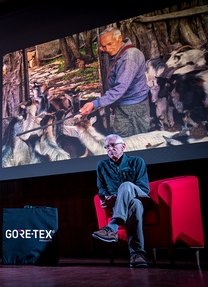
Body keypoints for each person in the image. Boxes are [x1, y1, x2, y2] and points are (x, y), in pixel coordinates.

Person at [92, 134, 150, 268]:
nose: (110, 149)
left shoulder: (136, 161)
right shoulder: (102, 165)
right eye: (107, 147)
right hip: (126, 205)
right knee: (134, 206)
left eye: (113, 145)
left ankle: (112, 227)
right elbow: (101, 189)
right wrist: (106, 198)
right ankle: (137, 255)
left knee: (127, 186)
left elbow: (143, 188)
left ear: (123, 146)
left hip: (141, 197)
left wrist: (117, 197)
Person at [79, 27, 150, 137]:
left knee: (137, 140)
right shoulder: (120, 51)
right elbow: (107, 47)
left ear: (120, 38)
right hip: (125, 104)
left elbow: (120, 87)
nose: (107, 49)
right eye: (103, 46)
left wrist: (95, 104)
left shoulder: (129, 57)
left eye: (109, 44)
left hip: (134, 107)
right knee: (122, 139)